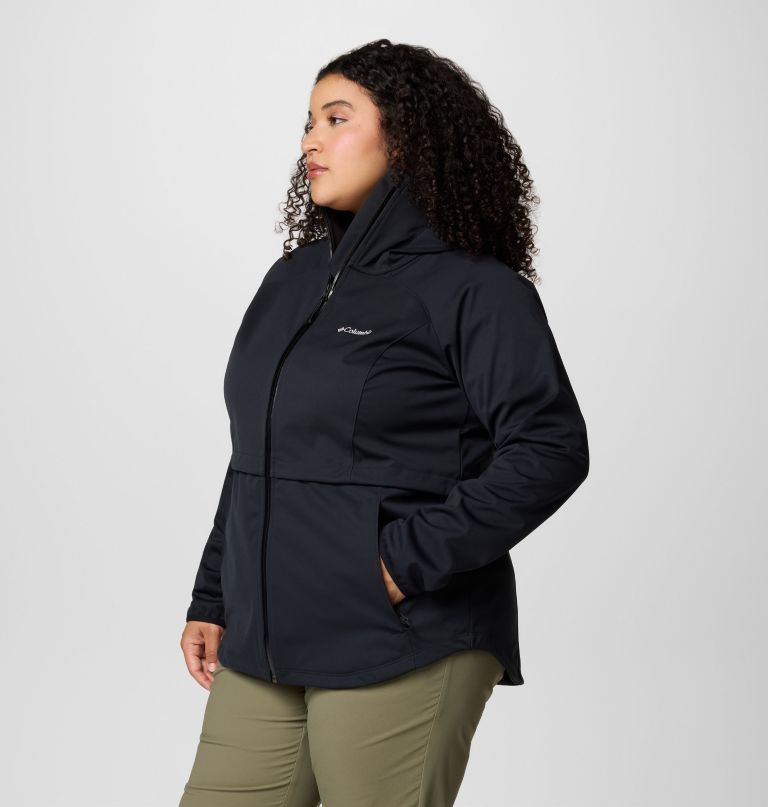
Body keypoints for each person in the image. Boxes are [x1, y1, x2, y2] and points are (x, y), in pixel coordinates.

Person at [178, 38, 589, 807]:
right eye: (308, 122)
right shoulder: (292, 281)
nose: (311, 140)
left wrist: (401, 563)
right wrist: (214, 596)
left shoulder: (475, 291)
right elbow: (257, 453)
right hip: (267, 634)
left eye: (337, 119)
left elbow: (549, 447)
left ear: (407, 137)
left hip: (400, 635)